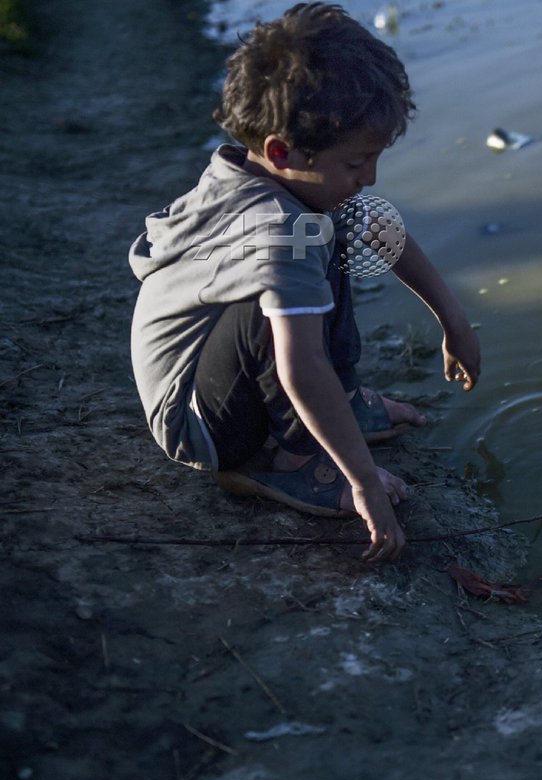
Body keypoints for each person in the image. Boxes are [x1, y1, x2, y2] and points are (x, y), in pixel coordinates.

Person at [128, 3, 480, 563]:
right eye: (356, 163)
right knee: (286, 289)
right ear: (281, 150)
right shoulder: (277, 231)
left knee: (332, 225)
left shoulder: (274, 180)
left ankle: (343, 405)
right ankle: (288, 459)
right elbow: (302, 369)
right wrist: (362, 481)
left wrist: (453, 320)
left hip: (229, 375)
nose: (370, 177)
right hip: (201, 421)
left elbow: (377, 225)